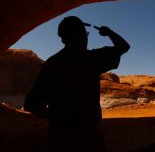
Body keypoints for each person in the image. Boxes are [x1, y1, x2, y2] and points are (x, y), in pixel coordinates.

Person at [24, 16, 130, 151]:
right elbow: (124, 46)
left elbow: (31, 103)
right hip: (88, 137)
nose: (87, 38)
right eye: (86, 34)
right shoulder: (91, 59)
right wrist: (108, 32)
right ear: (81, 36)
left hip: (58, 138)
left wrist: (55, 116)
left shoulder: (51, 64)